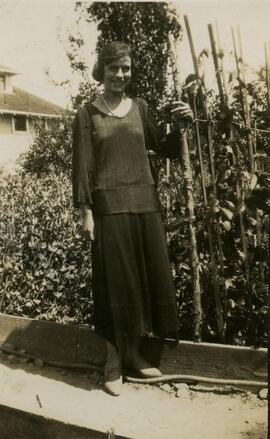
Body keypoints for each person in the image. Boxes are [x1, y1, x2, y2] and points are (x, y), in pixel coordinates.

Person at [72, 41, 193, 396]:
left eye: (126, 69)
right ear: (102, 70)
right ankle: (113, 360)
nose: (120, 76)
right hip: (109, 209)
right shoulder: (87, 114)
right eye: (114, 69)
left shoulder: (140, 107)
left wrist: (181, 122)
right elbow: (83, 167)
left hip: (145, 204)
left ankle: (135, 354)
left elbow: (165, 146)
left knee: (141, 284)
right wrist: (86, 212)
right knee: (114, 286)